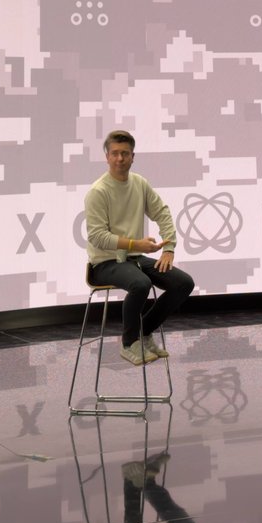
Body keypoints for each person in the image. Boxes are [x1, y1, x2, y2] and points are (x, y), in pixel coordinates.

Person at [85, 130, 194, 365]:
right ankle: (129, 343)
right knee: (141, 283)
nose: (120, 159)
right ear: (107, 157)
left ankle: (143, 332)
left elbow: (162, 213)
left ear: (133, 156)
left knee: (183, 283)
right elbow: (97, 237)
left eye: (125, 154)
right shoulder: (98, 191)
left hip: (134, 258)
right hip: (105, 262)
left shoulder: (139, 183)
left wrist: (169, 248)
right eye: (114, 153)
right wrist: (136, 243)